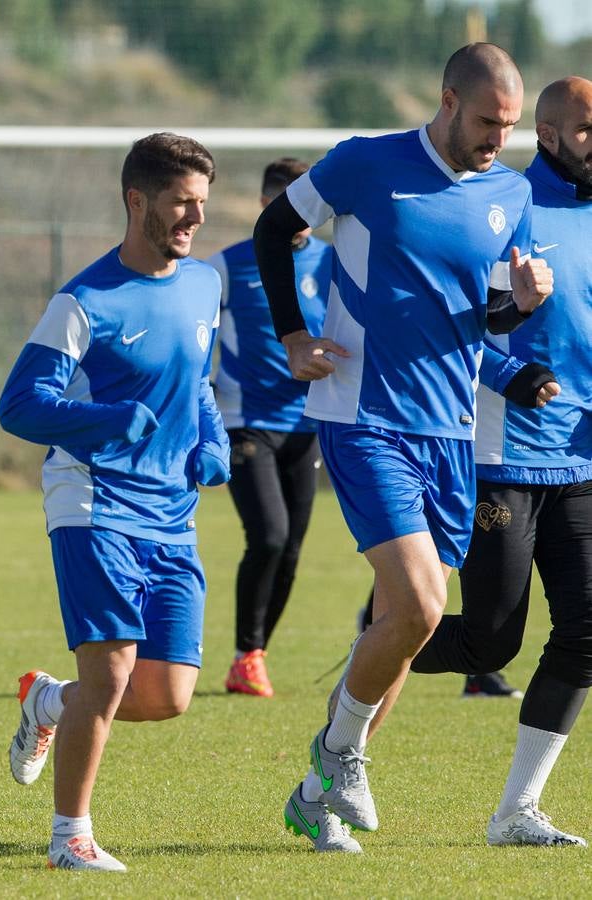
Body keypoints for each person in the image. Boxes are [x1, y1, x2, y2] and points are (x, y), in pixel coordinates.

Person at [252, 43, 552, 853]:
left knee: (402, 626)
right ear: (447, 100)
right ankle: (339, 753)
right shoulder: (364, 163)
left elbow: (487, 316)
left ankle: (317, 795)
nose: (498, 139)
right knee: (420, 605)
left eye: (510, 127)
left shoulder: (511, 193)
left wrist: (521, 306)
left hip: (451, 431)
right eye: (487, 121)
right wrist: (291, 335)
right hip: (364, 417)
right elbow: (274, 230)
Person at [0, 132, 229, 872]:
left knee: (167, 693)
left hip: (172, 513)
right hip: (94, 503)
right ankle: (70, 837)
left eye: (201, 204)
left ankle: (46, 703)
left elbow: (195, 381)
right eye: (181, 204)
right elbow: (19, 405)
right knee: (110, 673)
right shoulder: (85, 301)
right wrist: (104, 420)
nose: (195, 218)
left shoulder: (204, 285)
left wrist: (212, 439)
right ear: (137, 201)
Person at [405, 75, 592, 847]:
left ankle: (517, 810)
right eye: (586, 131)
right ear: (546, 134)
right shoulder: (502, 204)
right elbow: (450, 322)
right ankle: (383, 642)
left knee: (586, 631)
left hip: (580, 461)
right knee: (490, 643)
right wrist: (511, 372)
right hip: (501, 458)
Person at [209, 158, 333, 698]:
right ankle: (246, 653)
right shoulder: (227, 266)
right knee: (269, 536)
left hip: (308, 424)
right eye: (286, 206)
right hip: (245, 421)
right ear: (265, 206)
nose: (298, 217)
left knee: (292, 549)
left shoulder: (335, 262)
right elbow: (195, 330)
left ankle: (253, 656)